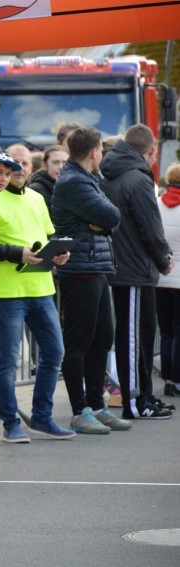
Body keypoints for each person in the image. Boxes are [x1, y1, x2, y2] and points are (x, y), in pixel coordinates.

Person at [0, 149, 77, 442]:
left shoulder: (37, 198)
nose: (16, 170)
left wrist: (59, 254)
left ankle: (42, 418)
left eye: (21, 164)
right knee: (7, 360)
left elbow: (48, 237)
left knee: (55, 352)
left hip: (42, 289)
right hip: (8, 293)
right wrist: (15, 254)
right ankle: (11, 423)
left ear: (31, 168)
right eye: (9, 167)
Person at [101, 124, 175, 420]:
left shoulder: (118, 173)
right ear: (152, 151)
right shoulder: (137, 179)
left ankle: (143, 396)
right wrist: (162, 257)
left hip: (130, 265)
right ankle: (135, 402)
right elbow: (150, 226)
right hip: (133, 267)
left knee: (141, 337)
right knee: (134, 338)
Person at [51, 126, 121, 434]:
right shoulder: (74, 182)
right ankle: (80, 410)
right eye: (101, 151)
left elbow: (107, 219)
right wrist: (98, 223)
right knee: (79, 342)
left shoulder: (88, 179)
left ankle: (97, 405)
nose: (103, 155)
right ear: (94, 152)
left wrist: (100, 224)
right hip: (79, 268)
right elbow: (113, 216)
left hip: (95, 265)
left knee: (102, 337)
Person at [157, 163, 180, 398]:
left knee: (166, 331)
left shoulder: (157, 204)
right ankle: (178, 379)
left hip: (160, 277)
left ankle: (168, 379)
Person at [28, 145, 68, 211]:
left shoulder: (74, 187)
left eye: (65, 163)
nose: (61, 167)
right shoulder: (35, 190)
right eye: (55, 162)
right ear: (45, 165)